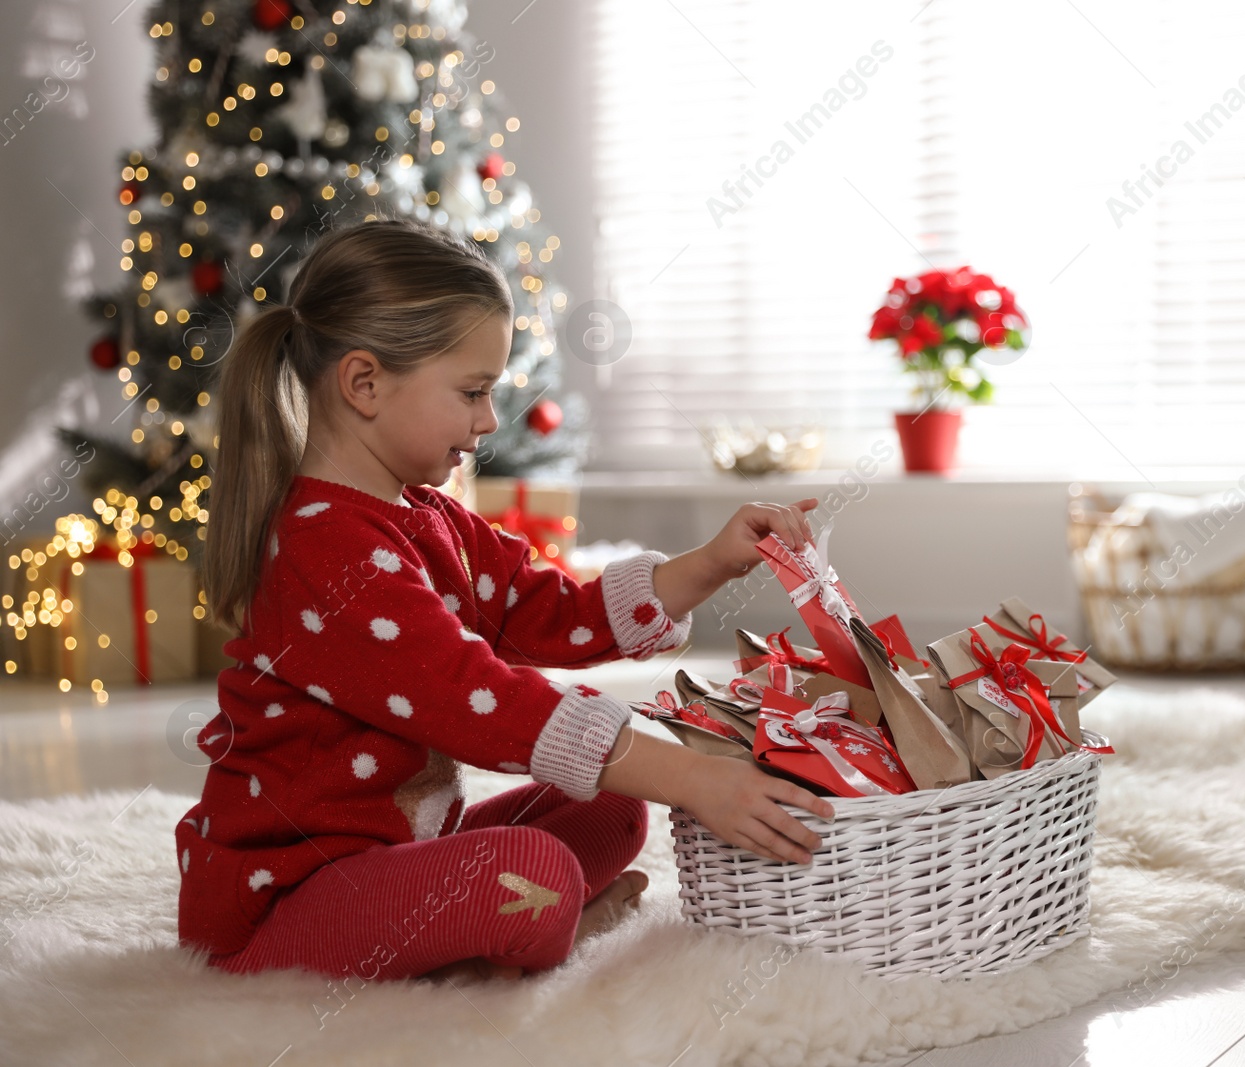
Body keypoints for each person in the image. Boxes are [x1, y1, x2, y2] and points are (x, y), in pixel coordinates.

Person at [180, 218, 833, 984]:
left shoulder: (428, 514)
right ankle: (513, 941)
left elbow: (549, 609)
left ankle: (502, 932)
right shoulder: (321, 546)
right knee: (534, 872)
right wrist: (694, 777)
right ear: (364, 384)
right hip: (287, 898)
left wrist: (711, 562)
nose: (489, 421)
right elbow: (474, 695)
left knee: (613, 810)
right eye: (472, 392)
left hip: (394, 853)